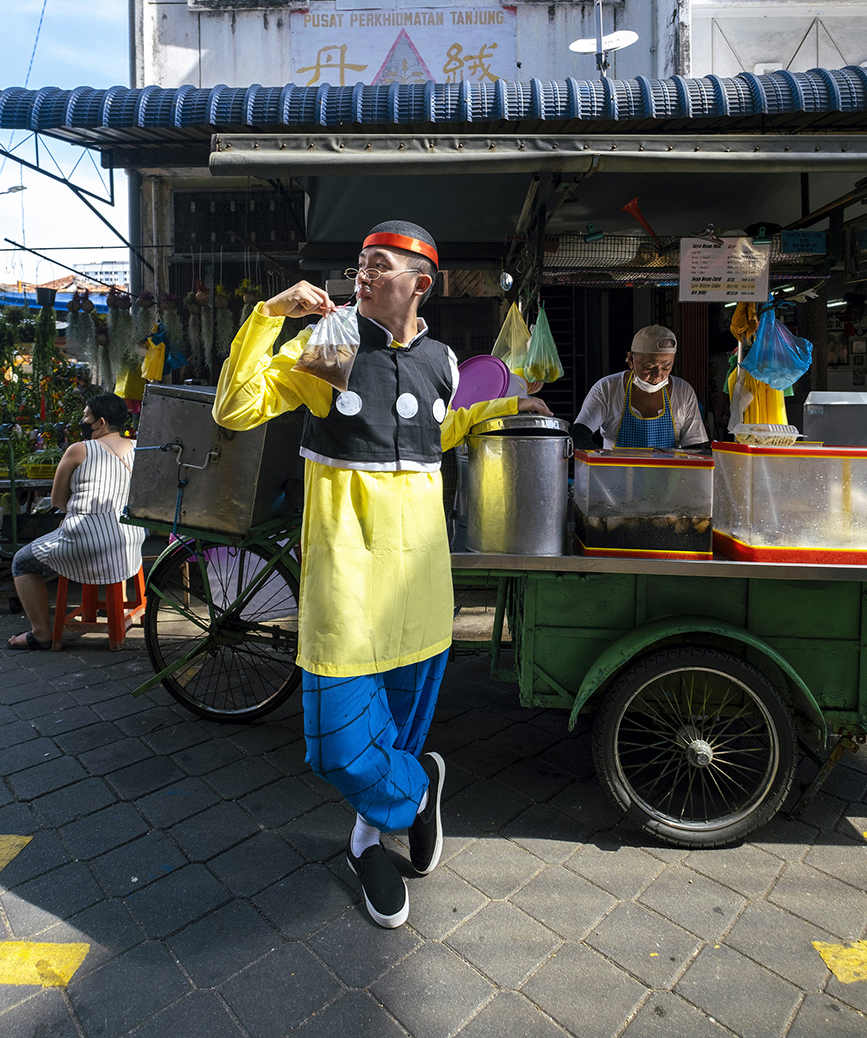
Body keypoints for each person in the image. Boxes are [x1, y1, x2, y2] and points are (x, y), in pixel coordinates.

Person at [213, 220, 552, 929]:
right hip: (345, 582)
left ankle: (366, 840)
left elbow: (440, 430)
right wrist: (268, 315)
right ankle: (418, 793)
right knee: (335, 749)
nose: (361, 275)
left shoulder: (443, 359)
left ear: (420, 283)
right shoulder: (331, 342)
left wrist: (505, 406)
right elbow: (235, 408)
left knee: (396, 730)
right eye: (359, 265)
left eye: (378, 266)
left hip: (421, 584)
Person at [7, 394, 145, 651]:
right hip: (129, 536)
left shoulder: (79, 449)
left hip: (86, 540)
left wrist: (78, 514)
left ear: (101, 422)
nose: (83, 421)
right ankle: (119, 604)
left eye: (86, 416)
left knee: (21, 562)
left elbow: (58, 500)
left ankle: (40, 633)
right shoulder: (139, 448)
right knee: (103, 541)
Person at [571, 324, 708, 451]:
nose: (658, 375)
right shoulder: (607, 388)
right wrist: (598, 456)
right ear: (631, 360)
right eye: (649, 366)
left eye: (666, 367)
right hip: (617, 469)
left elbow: (695, 445)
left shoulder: (683, 391)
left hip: (668, 470)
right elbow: (579, 432)